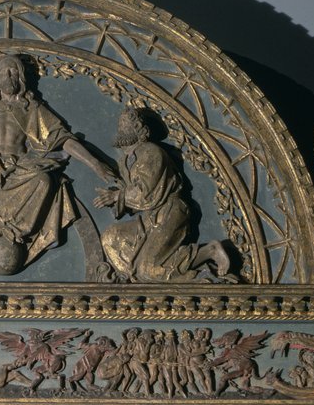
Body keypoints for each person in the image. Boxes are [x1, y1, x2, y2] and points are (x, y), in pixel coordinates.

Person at [0, 54, 116, 275]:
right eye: (4, 72)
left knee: (44, 181)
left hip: (19, 164)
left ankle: (16, 230)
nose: (10, 76)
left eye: (14, 71)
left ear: (21, 77)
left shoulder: (32, 108)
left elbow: (62, 138)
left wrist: (96, 164)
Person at [95, 108, 230, 283]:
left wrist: (117, 196)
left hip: (170, 213)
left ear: (139, 128)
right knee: (110, 237)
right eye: (120, 124)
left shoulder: (151, 152)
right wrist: (113, 196)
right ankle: (134, 279)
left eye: (126, 124)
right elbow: (133, 199)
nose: (121, 128)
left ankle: (209, 251)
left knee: (150, 269)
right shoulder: (124, 161)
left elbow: (147, 193)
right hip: (148, 219)